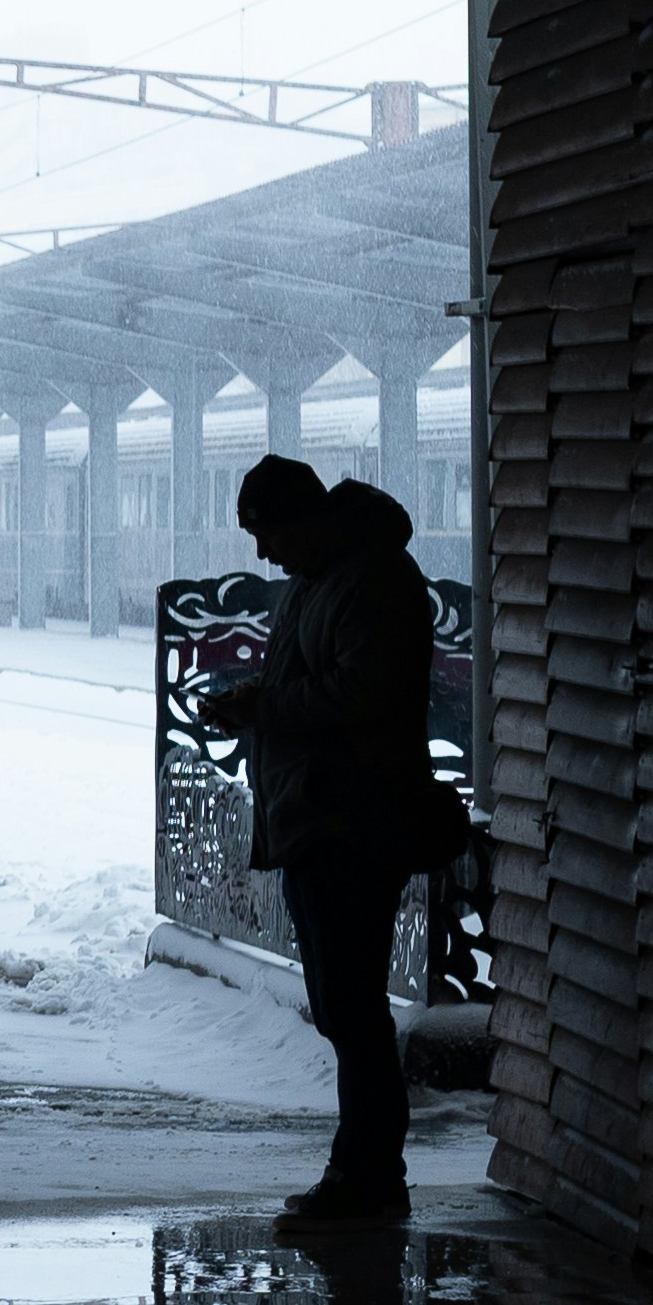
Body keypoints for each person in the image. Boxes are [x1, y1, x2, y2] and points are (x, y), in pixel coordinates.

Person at [197, 456, 459, 1227]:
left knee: (354, 1011)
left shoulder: (373, 578)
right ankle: (360, 1172)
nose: (262, 553)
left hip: (353, 824)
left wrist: (266, 707)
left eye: (267, 533)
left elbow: (364, 692)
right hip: (317, 820)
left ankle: (368, 1179)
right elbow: (316, 683)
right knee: (344, 1010)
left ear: (305, 520)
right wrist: (258, 701)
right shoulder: (318, 579)